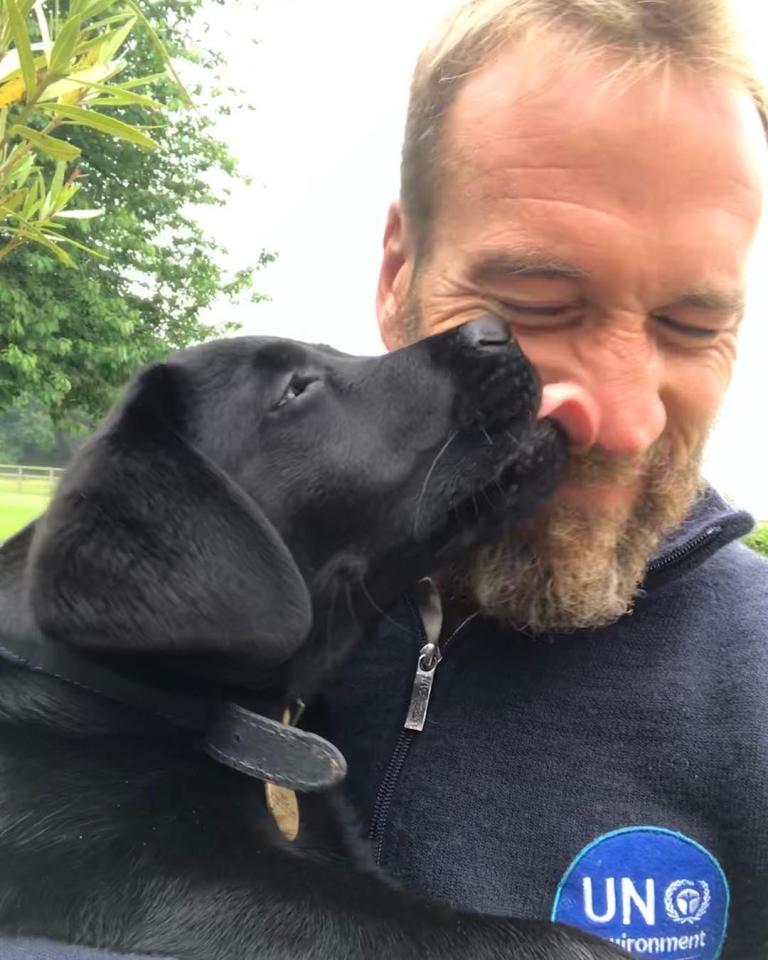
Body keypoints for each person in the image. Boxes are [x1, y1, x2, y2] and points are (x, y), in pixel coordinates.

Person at [322, 2, 768, 959]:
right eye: (539, 305)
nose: (621, 417)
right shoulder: (225, 602)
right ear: (398, 273)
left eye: (693, 327)